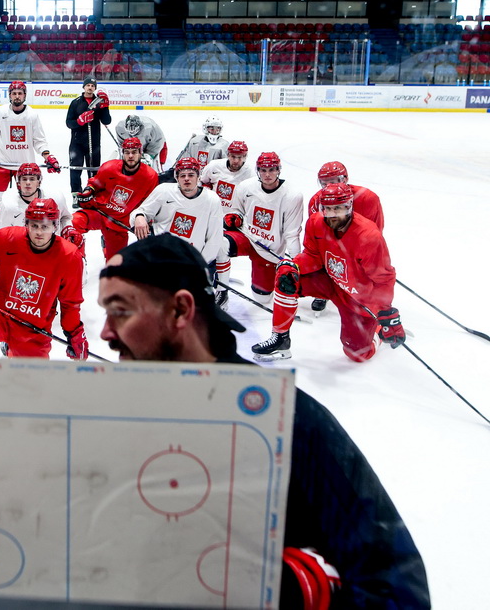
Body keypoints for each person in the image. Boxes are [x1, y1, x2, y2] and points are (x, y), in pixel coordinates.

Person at [96, 234, 429, 608]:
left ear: (180, 311)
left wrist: (292, 592)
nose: (105, 332)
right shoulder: (104, 418)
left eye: (120, 311)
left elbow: (397, 587)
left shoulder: (289, 421)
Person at [251, 182, 403, 362]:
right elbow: (312, 256)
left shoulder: (369, 236)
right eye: (328, 209)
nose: (332, 215)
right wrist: (293, 265)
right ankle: (280, 338)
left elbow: (383, 279)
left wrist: (385, 312)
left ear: (349, 206)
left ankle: (376, 332)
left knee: (357, 355)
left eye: (338, 208)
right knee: (287, 277)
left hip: (357, 298)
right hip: (330, 282)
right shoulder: (316, 222)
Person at [0, 198, 86, 360]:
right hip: (0, 314)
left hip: (32, 329)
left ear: (55, 226)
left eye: (45, 226)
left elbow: (70, 303)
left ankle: (12, 349)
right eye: (34, 225)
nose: (39, 232)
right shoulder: (10, 237)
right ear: (26, 224)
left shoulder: (69, 256)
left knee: (30, 382)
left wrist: (74, 333)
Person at [214, 152, 303, 309]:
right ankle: (222, 291)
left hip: (269, 250)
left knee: (262, 298)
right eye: (263, 170)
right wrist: (234, 216)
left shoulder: (291, 196)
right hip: (247, 237)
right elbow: (236, 209)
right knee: (219, 244)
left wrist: (296, 265)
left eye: (272, 170)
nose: (267, 174)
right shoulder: (246, 187)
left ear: (279, 170)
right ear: (258, 170)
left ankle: (267, 283)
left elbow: (292, 234)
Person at [305, 161, 385, 314]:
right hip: (332, 246)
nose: (329, 187)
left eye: (333, 182)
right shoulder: (317, 201)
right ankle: (325, 291)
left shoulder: (367, 198)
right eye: (324, 183)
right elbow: (316, 234)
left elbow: (375, 232)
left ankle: (369, 300)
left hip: (358, 247)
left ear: (345, 179)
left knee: (366, 273)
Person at [0, 80, 60, 217]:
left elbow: (39, 141)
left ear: (25, 95)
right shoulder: (0, 112)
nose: (17, 96)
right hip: (2, 163)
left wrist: (48, 156)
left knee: (29, 200)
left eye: (20, 93)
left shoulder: (32, 115)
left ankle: (26, 230)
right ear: (9, 95)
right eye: (14, 93)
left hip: (25, 166)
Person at [71, 136, 161, 261]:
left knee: (114, 265)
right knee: (73, 223)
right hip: (100, 213)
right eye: (127, 152)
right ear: (122, 153)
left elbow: (149, 204)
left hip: (120, 224)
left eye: (134, 152)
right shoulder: (109, 167)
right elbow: (95, 184)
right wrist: (88, 192)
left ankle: (106, 247)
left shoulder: (150, 176)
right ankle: (77, 259)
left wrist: (144, 220)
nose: (130, 156)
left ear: (141, 153)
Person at [130, 157, 223, 266]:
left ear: (198, 177)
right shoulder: (163, 190)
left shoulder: (212, 199)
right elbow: (138, 213)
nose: (186, 179)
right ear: (177, 178)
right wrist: (139, 216)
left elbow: (214, 240)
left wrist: (199, 264)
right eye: (182, 175)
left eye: (191, 175)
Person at [65, 76, 112, 197]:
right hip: (77, 143)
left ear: (95, 88)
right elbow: (69, 123)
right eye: (88, 85)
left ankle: (92, 193)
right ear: (84, 87)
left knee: (94, 170)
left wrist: (106, 107)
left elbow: (106, 121)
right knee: (75, 169)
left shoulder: (99, 103)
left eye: (92, 86)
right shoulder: (75, 102)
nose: (90, 88)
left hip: (94, 143)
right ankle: (76, 194)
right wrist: (79, 121)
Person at [200, 140, 254, 211]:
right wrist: (204, 193)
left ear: (245, 156)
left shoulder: (251, 174)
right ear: (228, 155)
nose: (236, 161)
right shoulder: (214, 165)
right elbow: (201, 182)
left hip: (233, 216)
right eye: (233, 156)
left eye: (239, 157)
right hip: (212, 210)